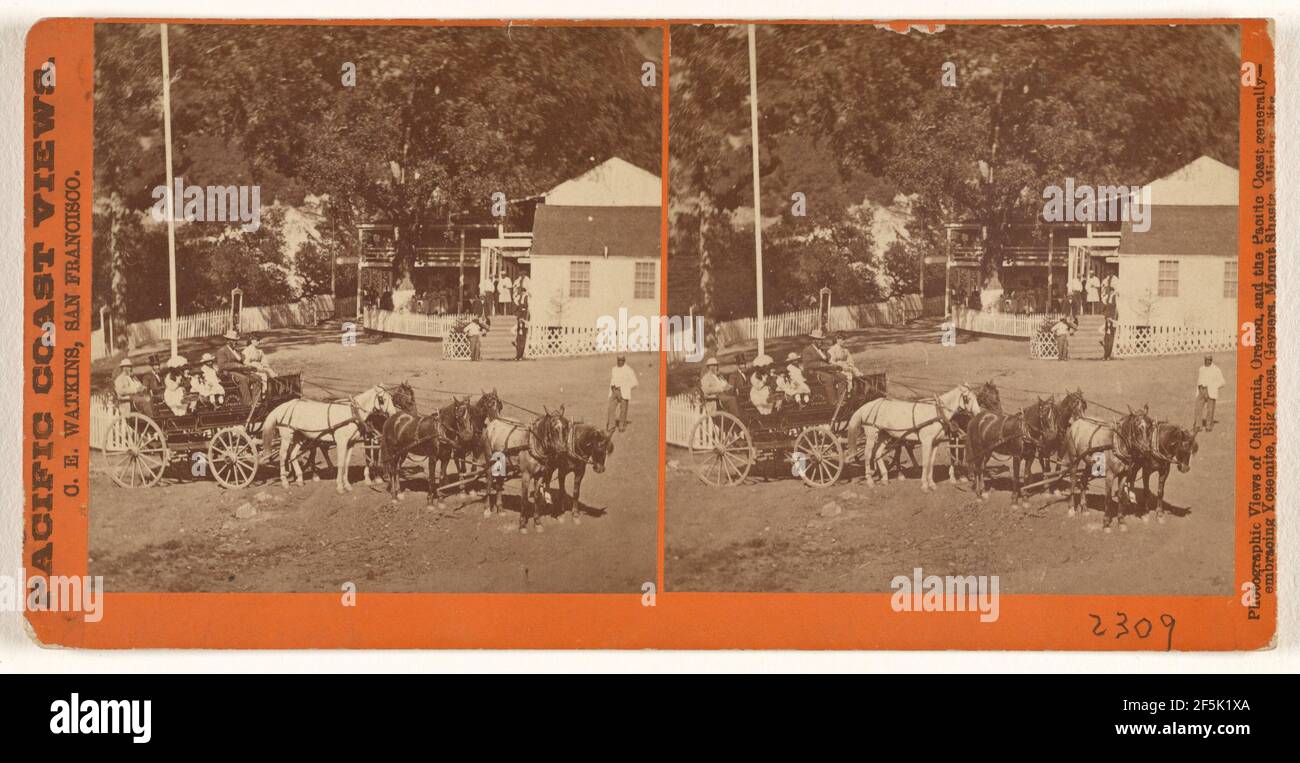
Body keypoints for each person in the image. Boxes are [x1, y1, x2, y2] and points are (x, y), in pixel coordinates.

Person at [215, 329, 261, 405]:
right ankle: (248, 403)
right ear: (228, 341)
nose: (235, 342)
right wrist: (237, 365)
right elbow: (222, 365)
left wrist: (248, 367)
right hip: (228, 373)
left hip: (239, 371)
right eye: (233, 340)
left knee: (257, 378)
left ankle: (256, 401)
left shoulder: (236, 351)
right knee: (244, 379)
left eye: (236, 340)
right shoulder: (222, 351)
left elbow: (242, 362)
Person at [1195, 354, 1226, 432]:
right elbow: (1199, 380)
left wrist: (1214, 386)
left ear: (1211, 360)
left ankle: (1208, 426)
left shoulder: (1216, 370)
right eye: (1206, 360)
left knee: (1210, 410)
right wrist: (1198, 391)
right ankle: (1198, 425)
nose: (1207, 361)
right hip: (1201, 390)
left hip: (1211, 391)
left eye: (1209, 360)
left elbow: (1222, 382)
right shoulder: (1201, 369)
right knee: (1198, 408)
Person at [608, 354, 638, 432]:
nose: (619, 362)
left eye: (621, 360)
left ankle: (622, 425)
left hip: (623, 392)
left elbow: (635, 383)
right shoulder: (614, 369)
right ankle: (611, 425)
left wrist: (626, 387)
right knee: (611, 408)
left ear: (624, 361)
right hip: (614, 391)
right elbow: (612, 379)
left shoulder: (629, 370)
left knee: (623, 410)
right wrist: (612, 389)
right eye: (618, 360)